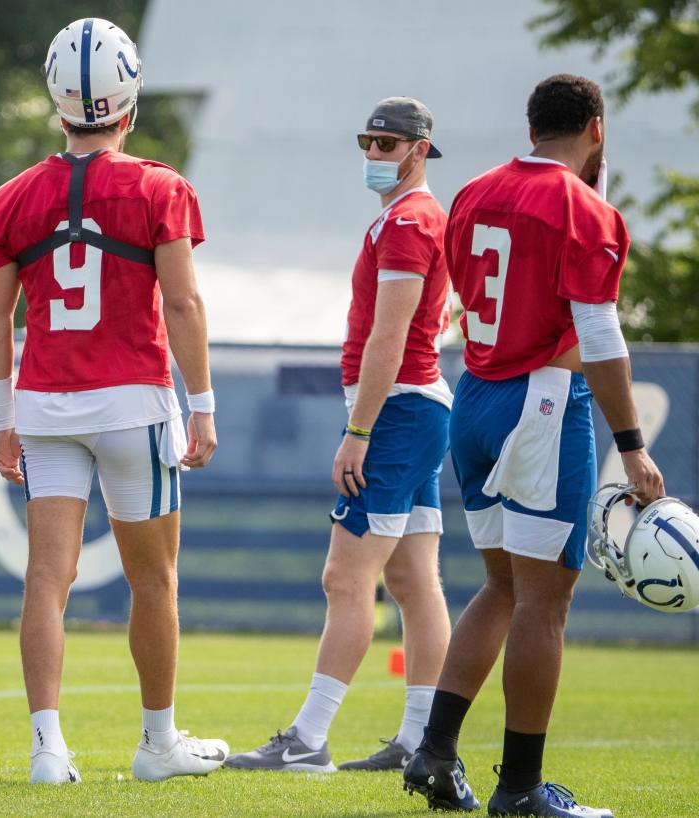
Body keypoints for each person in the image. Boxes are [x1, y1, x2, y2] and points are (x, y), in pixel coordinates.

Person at [0, 17, 225, 784]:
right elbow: (182, 305)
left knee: (48, 578)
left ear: (57, 102)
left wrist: (0, 422)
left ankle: (49, 749)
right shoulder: (159, 187)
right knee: (155, 578)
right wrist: (203, 401)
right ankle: (157, 744)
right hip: (132, 405)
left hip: (46, 404)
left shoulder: (13, 196)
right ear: (129, 101)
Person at [402, 74, 664, 817]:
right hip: (541, 400)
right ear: (597, 129)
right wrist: (633, 445)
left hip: (476, 396)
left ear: (531, 128)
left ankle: (435, 751)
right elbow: (600, 334)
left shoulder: (475, 192)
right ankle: (519, 789)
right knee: (546, 602)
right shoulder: (584, 209)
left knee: (503, 586)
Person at [225, 98, 453, 774]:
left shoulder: (409, 220)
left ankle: (309, 739)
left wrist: (358, 429)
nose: (375, 154)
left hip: (398, 412)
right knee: (415, 581)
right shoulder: (420, 216)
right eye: (369, 141)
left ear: (420, 149)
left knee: (345, 578)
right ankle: (419, 740)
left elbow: (390, 334)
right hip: (417, 408)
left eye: (387, 144)